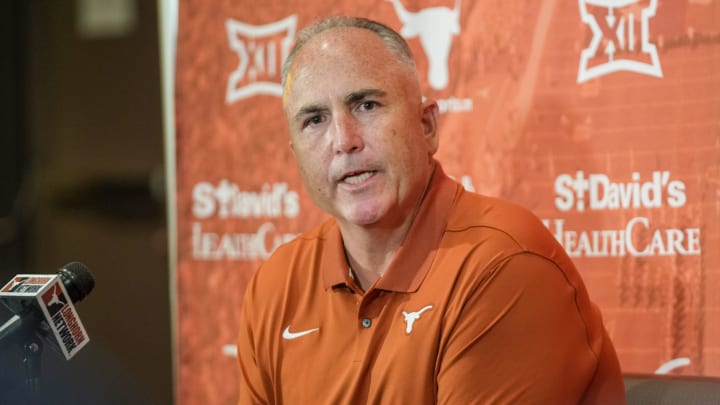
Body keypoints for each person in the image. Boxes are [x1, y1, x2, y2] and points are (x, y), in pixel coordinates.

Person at [236, 16, 626, 404]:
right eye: (315, 120)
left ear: (427, 127)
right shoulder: (277, 283)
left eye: (367, 105)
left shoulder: (505, 264)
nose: (343, 140)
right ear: (296, 156)